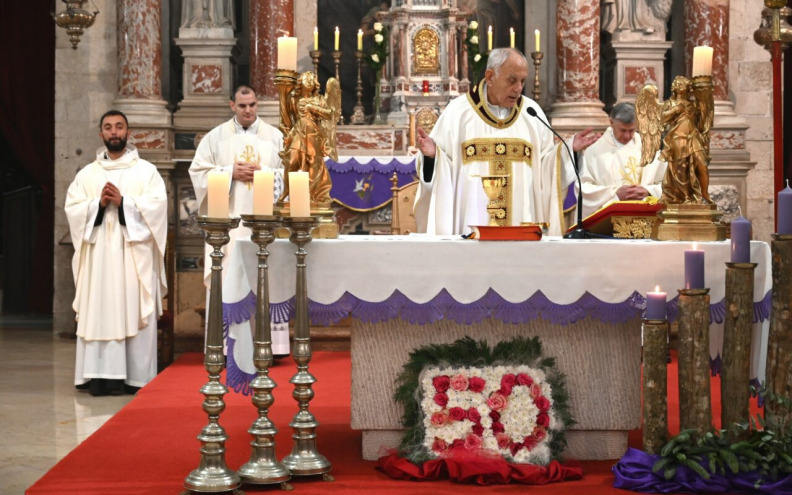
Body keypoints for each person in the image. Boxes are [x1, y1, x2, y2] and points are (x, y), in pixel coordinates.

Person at [414, 47, 599, 236]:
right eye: (512, 80)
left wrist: (568, 152)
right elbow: (441, 177)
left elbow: (545, 169)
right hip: (471, 231)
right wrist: (433, 157)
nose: (519, 88)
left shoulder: (531, 114)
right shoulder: (458, 114)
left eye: (522, 81)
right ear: (490, 76)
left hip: (521, 230)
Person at [65, 110, 167, 396]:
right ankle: (97, 376)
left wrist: (125, 203)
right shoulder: (88, 174)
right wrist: (97, 205)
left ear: (128, 132)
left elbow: (158, 208)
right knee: (99, 308)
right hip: (98, 258)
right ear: (101, 134)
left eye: (119, 127)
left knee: (132, 308)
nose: (114, 132)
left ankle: (134, 377)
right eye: (108, 127)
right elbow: (73, 210)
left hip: (132, 258)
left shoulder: (146, 171)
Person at [189, 85, 288, 356]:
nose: (248, 111)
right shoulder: (215, 138)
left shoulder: (275, 137)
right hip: (229, 225)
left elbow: (290, 175)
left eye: (253, 105)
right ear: (232, 105)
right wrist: (228, 172)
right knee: (229, 276)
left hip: (263, 225)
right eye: (242, 106)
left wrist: (266, 174)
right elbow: (198, 173)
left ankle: (267, 345)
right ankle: (224, 346)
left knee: (263, 278)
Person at [577, 102, 667, 218]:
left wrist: (648, 191)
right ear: (611, 122)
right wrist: (614, 194)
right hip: (609, 220)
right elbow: (583, 188)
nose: (627, 136)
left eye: (631, 130)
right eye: (623, 130)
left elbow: (668, 185)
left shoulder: (649, 148)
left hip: (646, 218)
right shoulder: (594, 151)